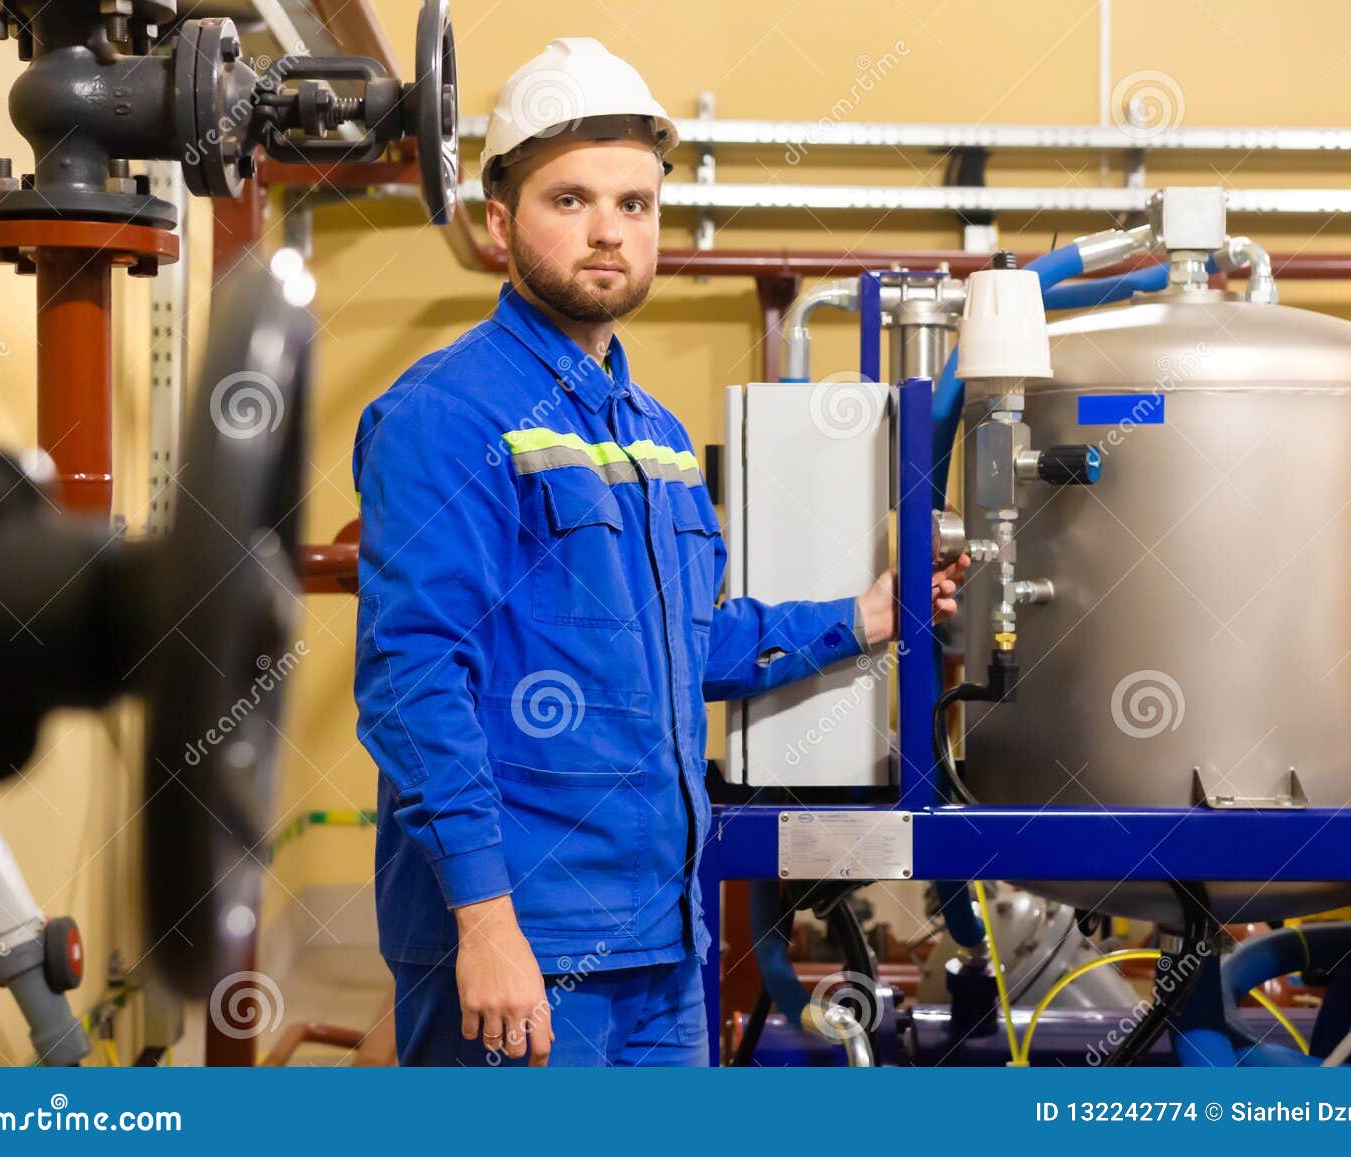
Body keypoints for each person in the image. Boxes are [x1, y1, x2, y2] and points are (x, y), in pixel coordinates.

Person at [353, 36, 966, 1067]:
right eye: (571, 200)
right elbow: (413, 679)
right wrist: (485, 921)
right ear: (500, 222)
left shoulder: (655, 435)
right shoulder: (447, 414)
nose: (607, 231)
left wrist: (861, 618)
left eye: (634, 204)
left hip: (663, 944)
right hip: (528, 944)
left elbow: (689, 644)